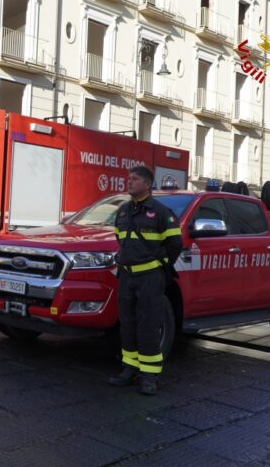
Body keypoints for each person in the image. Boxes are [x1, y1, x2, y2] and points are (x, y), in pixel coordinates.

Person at [108, 166, 182, 396]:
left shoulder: (161, 212)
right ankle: (129, 369)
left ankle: (150, 376)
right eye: (128, 179)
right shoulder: (122, 211)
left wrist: (159, 265)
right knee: (127, 325)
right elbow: (121, 239)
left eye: (135, 179)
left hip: (150, 278)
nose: (129, 182)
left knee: (148, 326)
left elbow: (175, 244)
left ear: (147, 184)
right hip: (127, 276)